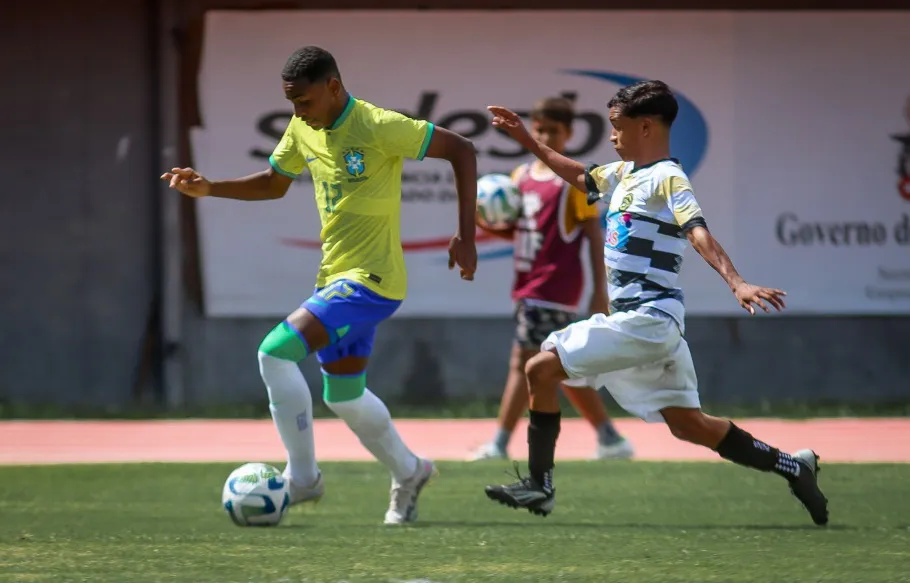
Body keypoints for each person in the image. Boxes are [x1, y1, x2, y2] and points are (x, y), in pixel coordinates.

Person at [481, 80, 829, 526]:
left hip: (647, 320)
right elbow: (576, 173)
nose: (610, 136)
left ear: (645, 127)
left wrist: (736, 282)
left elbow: (697, 230)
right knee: (689, 425)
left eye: (616, 127)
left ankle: (540, 486)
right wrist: (526, 140)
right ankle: (794, 467)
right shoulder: (624, 174)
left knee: (538, 367)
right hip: (649, 325)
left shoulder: (668, 177)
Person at [161, 46, 478, 525]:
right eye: (291, 104)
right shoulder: (303, 128)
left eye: (304, 102)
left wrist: (466, 235)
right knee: (344, 395)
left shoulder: (376, 125)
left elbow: (462, 149)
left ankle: (304, 478)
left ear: (333, 88)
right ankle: (410, 471)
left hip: (371, 280)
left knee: (274, 352)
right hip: (335, 277)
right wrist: (209, 188)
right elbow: (273, 182)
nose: (298, 113)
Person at [471, 96, 633, 461]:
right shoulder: (521, 177)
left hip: (554, 288)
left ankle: (498, 443)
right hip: (527, 285)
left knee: (524, 363)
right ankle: (610, 438)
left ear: (569, 134)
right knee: (558, 367)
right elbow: (522, 232)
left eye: (553, 131)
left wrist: (598, 291)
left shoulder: (572, 182)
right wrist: (485, 225)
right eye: (540, 128)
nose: (545, 134)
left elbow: (593, 235)